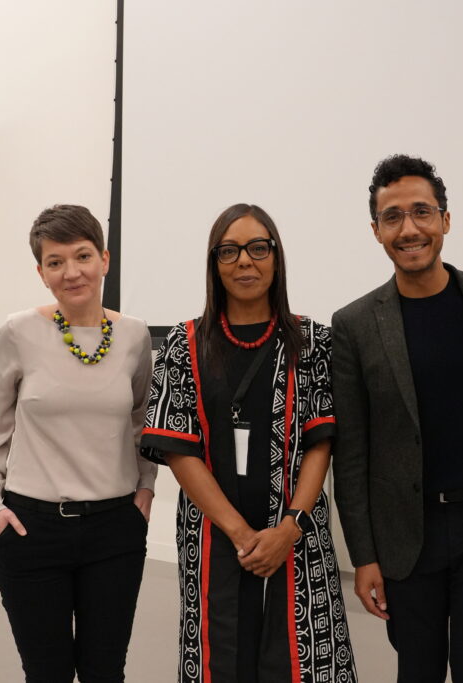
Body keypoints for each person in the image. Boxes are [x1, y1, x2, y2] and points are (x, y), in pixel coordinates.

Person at [140, 204, 356, 683]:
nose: (245, 262)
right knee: (220, 658)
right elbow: (178, 450)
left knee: (303, 661)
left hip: (297, 533)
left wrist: (290, 527)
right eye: (229, 251)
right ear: (214, 264)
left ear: (276, 259)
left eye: (259, 248)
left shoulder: (311, 340)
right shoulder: (184, 342)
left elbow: (321, 441)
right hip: (214, 536)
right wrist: (241, 534)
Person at [332, 155, 463, 682]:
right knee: (418, 672)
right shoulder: (356, 324)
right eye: (393, 217)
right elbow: (353, 455)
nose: (409, 229)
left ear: (445, 220)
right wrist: (363, 557)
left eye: (421, 212)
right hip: (407, 538)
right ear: (376, 231)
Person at [0, 204, 156, 682]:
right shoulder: (17, 333)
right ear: (41, 272)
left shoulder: (134, 336)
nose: (72, 272)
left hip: (115, 529)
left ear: (105, 259)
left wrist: (146, 491)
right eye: (55, 262)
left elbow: (140, 422)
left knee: (105, 671)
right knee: (46, 673)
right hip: (32, 531)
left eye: (83, 256)